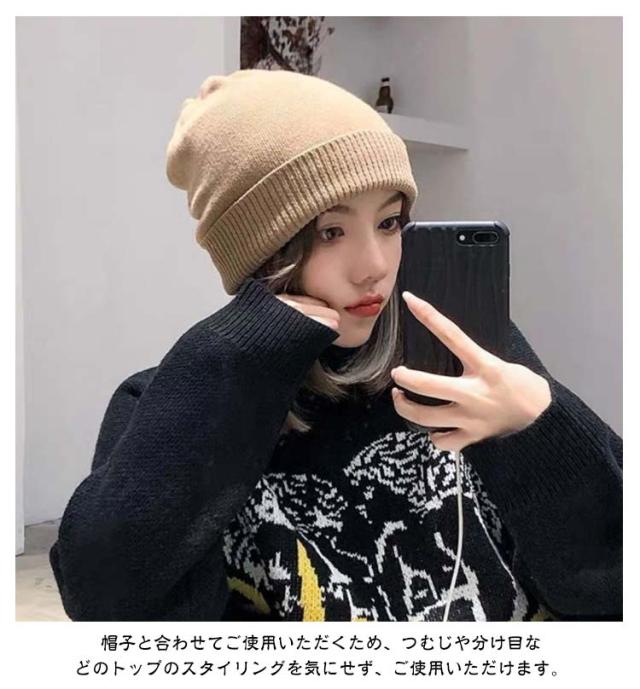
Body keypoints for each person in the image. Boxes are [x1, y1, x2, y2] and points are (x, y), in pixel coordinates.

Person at [49, 69, 622, 622]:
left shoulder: (456, 354)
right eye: (330, 232)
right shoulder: (180, 397)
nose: (374, 266)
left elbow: (611, 584)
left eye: (390, 223)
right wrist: (230, 355)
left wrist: (541, 424)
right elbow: (110, 606)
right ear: (261, 252)